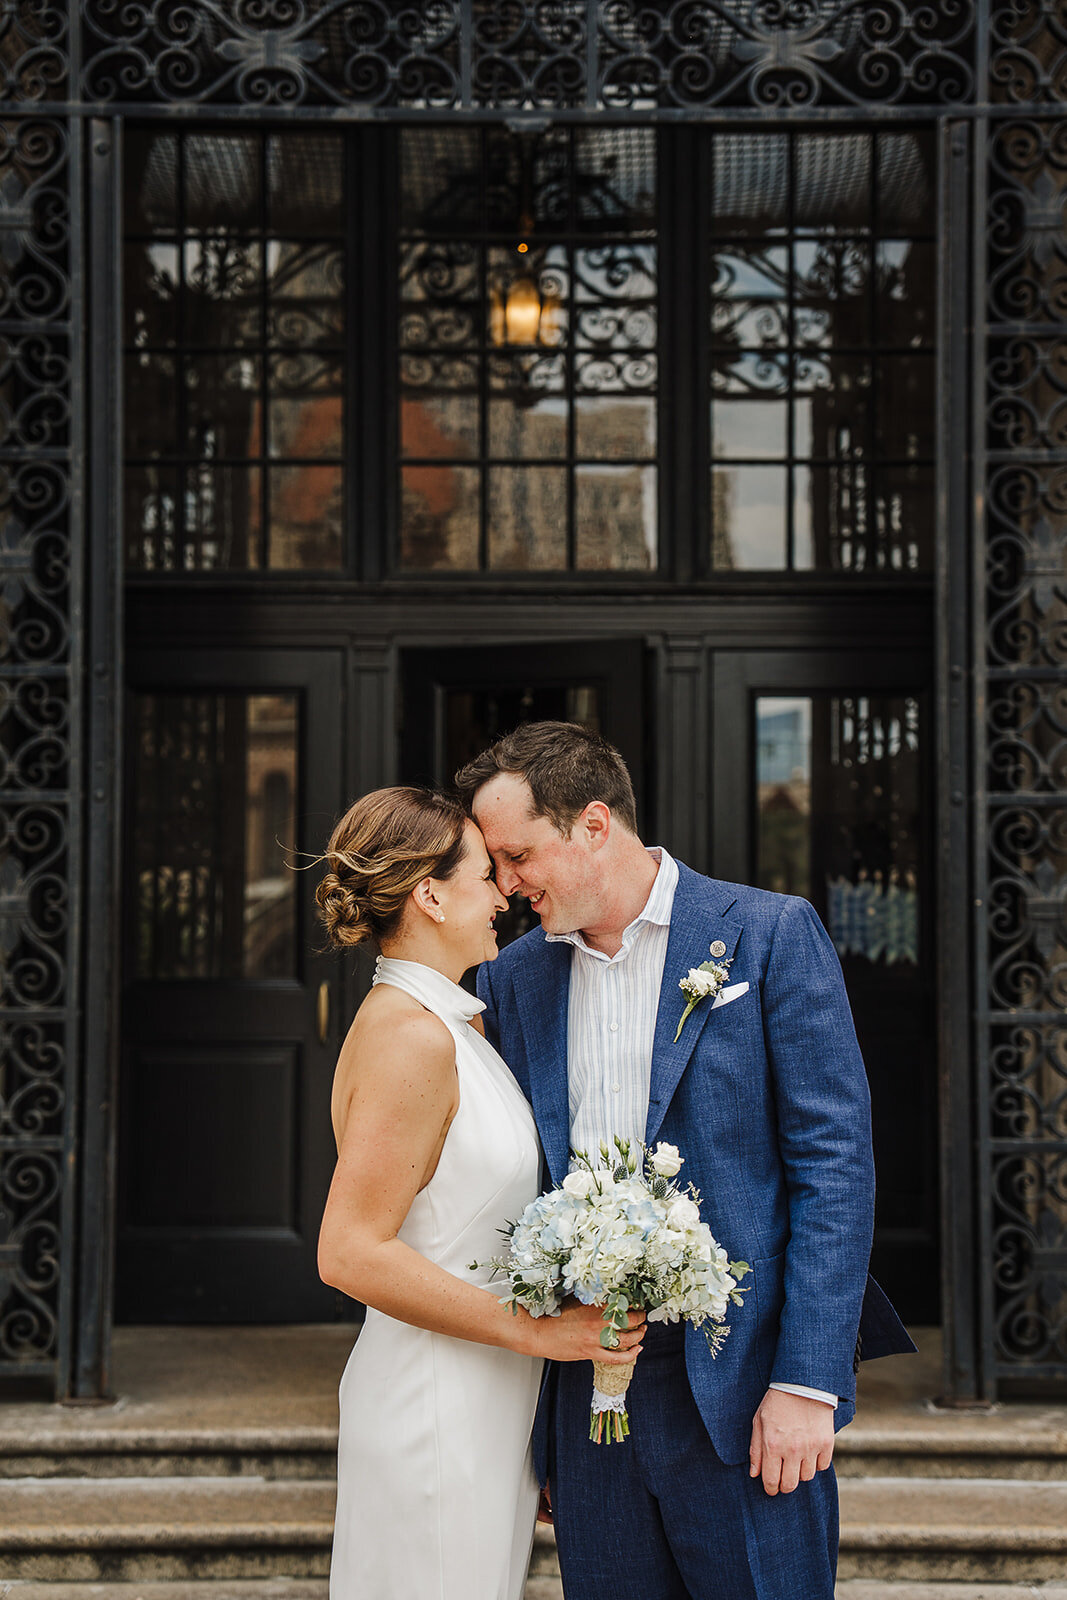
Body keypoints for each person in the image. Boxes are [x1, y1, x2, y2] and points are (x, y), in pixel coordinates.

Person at [455, 722, 916, 1600]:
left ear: (593, 825)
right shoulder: (511, 980)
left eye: (517, 855)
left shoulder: (770, 934)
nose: (506, 886)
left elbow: (834, 1167)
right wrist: (545, 1428)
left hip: (747, 1387)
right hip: (589, 1387)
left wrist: (807, 1383)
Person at [315, 786, 644, 1600]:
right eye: (483, 874)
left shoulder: (455, 1023)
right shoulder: (411, 1035)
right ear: (428, 894)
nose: (505, 894)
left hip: (485, 1401)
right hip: (434, 1405)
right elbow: (350, 1250)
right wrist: (537, 1336)